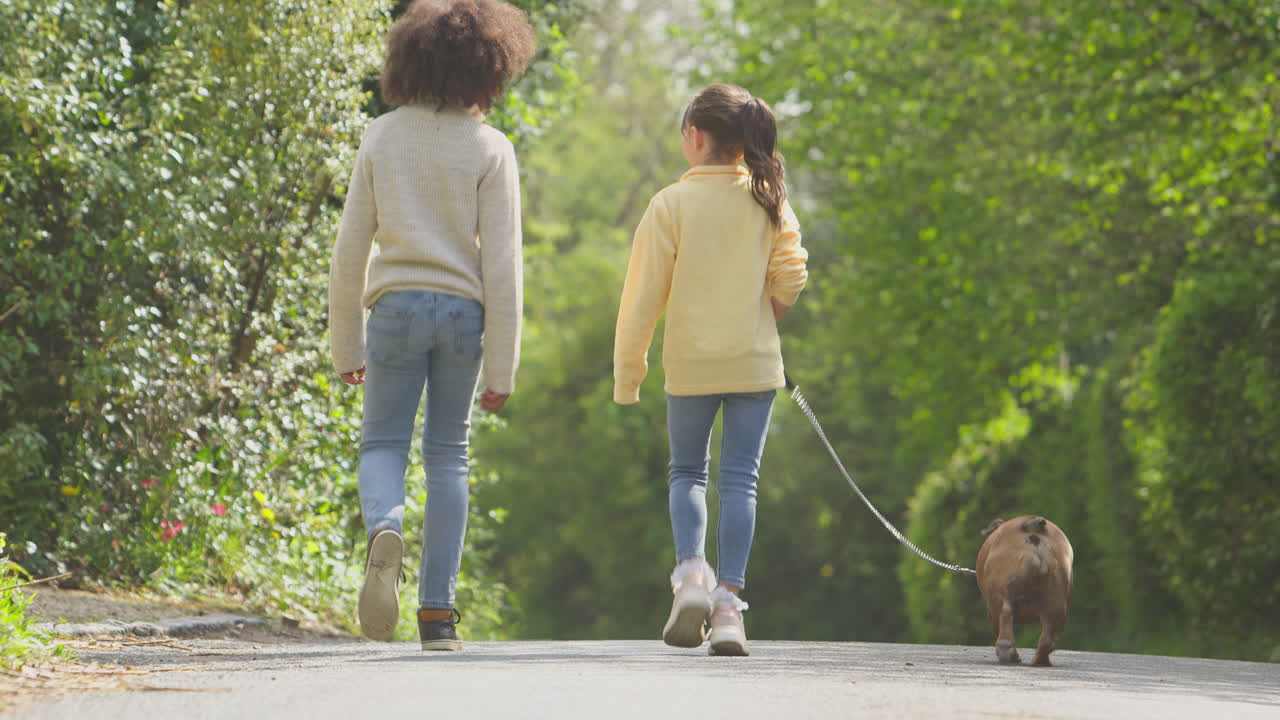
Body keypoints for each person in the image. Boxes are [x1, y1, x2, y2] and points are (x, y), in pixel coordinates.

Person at [327, 0, 535, 651]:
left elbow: (350, 249)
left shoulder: (382, 136)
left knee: (382, 444)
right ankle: (437, 618)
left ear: (409, 60)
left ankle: (384, 527)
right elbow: (503, 266)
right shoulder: (491, 147)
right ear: (490, 68)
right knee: (448, 456)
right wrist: (502, 366)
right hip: (462, 316)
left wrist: (345, 345)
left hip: (394, 309)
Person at [613, 84, 808, 656]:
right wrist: (767, 312)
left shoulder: (670, 205)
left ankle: (692, 574)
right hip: (754, 363)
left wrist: (628, 375)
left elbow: (641, 298)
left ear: (695, 137)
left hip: (691, 365)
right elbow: (792, 272)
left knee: (688, 473)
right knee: (741, 479)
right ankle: (727, 607)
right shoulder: (768, 198)